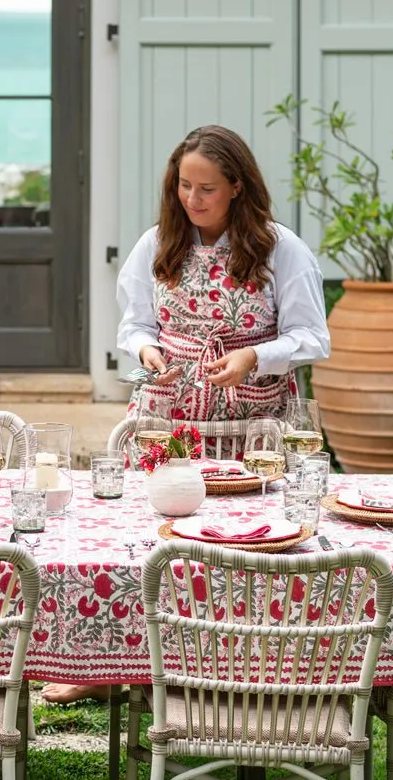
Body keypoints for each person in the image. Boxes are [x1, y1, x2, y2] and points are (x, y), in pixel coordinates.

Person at [42, 124, 330, 705]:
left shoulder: (282, 250)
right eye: (183, 186)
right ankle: (108, 663)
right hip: (166, 424)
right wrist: (148, 351)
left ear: (238, 188)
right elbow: (136, 325)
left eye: (207, 189)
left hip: (253, 432)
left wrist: (254, 355)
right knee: (143, 543)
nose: (192, 200)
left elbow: (312, 338)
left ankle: (241, 662)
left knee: (247, 545)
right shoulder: (158, 243)